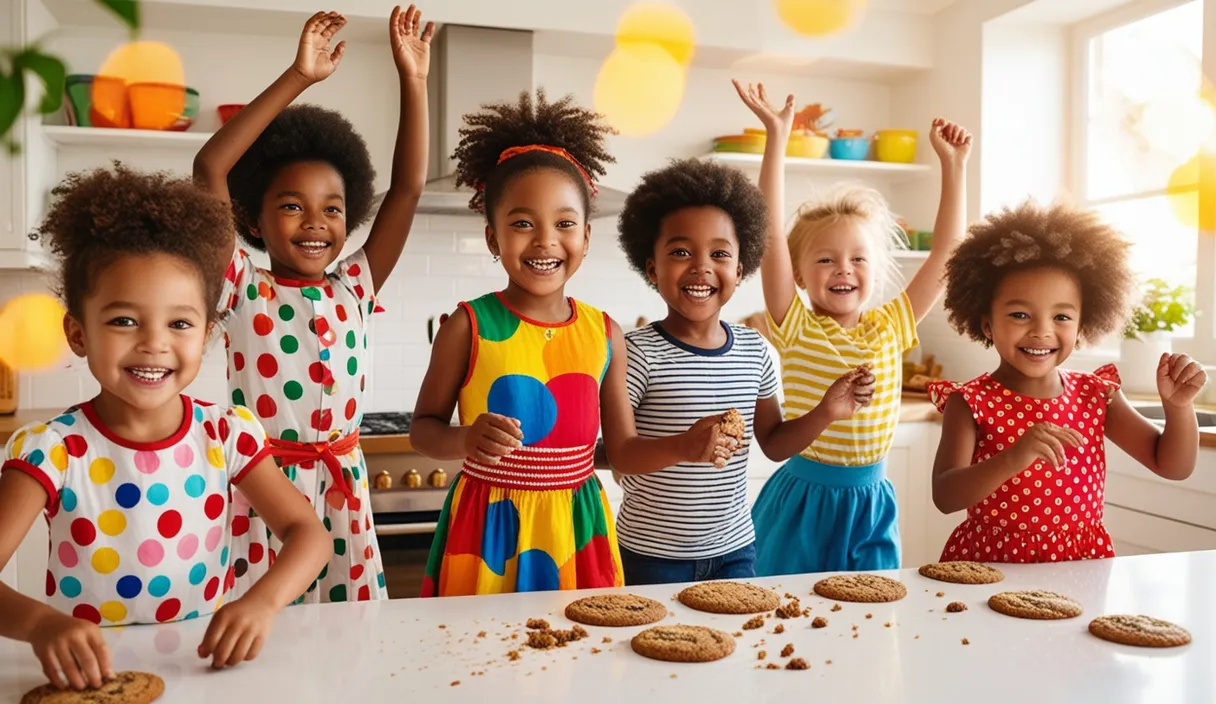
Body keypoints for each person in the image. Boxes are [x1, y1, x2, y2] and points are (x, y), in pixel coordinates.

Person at [0, 165, 330, 690]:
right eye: (124, 320)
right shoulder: (52, 451)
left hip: (205, 671)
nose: (154, 344)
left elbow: (309, 535)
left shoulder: (227, 435)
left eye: (179, 323)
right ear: (78, 333)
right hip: (93, 681)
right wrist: (40, 624)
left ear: (207, 334)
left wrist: (262, 603)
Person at [192, 7, 432, 602]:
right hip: (263, 492)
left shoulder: (355, 285)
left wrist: (414, 81)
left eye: (332, 208)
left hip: (344, 491)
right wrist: (299, 76)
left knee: (347, 646)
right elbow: (210, 165)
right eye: (292, 206)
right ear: (252, 218)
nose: (316, 223)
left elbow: (407, 188)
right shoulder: (241, 283)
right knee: (262, 638)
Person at [735, 79, 973, 574]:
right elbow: (770, 232)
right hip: (803, 502)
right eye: (825, 259)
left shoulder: (891, 325)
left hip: (871, 503)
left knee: (869, 624)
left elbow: (948, 252)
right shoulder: (795, 322)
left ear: (876, 268)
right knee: (785, 620)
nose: (843, 269)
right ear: (799, 274)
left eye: (857, 259)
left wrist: (954, 168)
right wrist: (776, 138)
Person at [611, 157, 876, 584]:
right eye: (681, 252)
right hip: (651, 554)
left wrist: (827, 411)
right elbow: (620, 453)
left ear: (739, 269)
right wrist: (684, 446)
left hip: (735, 549)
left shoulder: (754, 350)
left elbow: (773, 443)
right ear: (651, 268)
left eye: (719, 253)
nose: (701, 266)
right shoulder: (635, 353)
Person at [929, 200, 1207, 562]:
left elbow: (1172, 465)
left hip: (1079, 565)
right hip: (991, 564)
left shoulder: (1097, 396)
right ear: (987, 323)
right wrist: (1012, 458)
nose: (1042, 331)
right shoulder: (970, 402)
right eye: (1019, 314)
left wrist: (1179, 407)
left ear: (1082, 328)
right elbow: (945, 497)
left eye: (1061, 316)